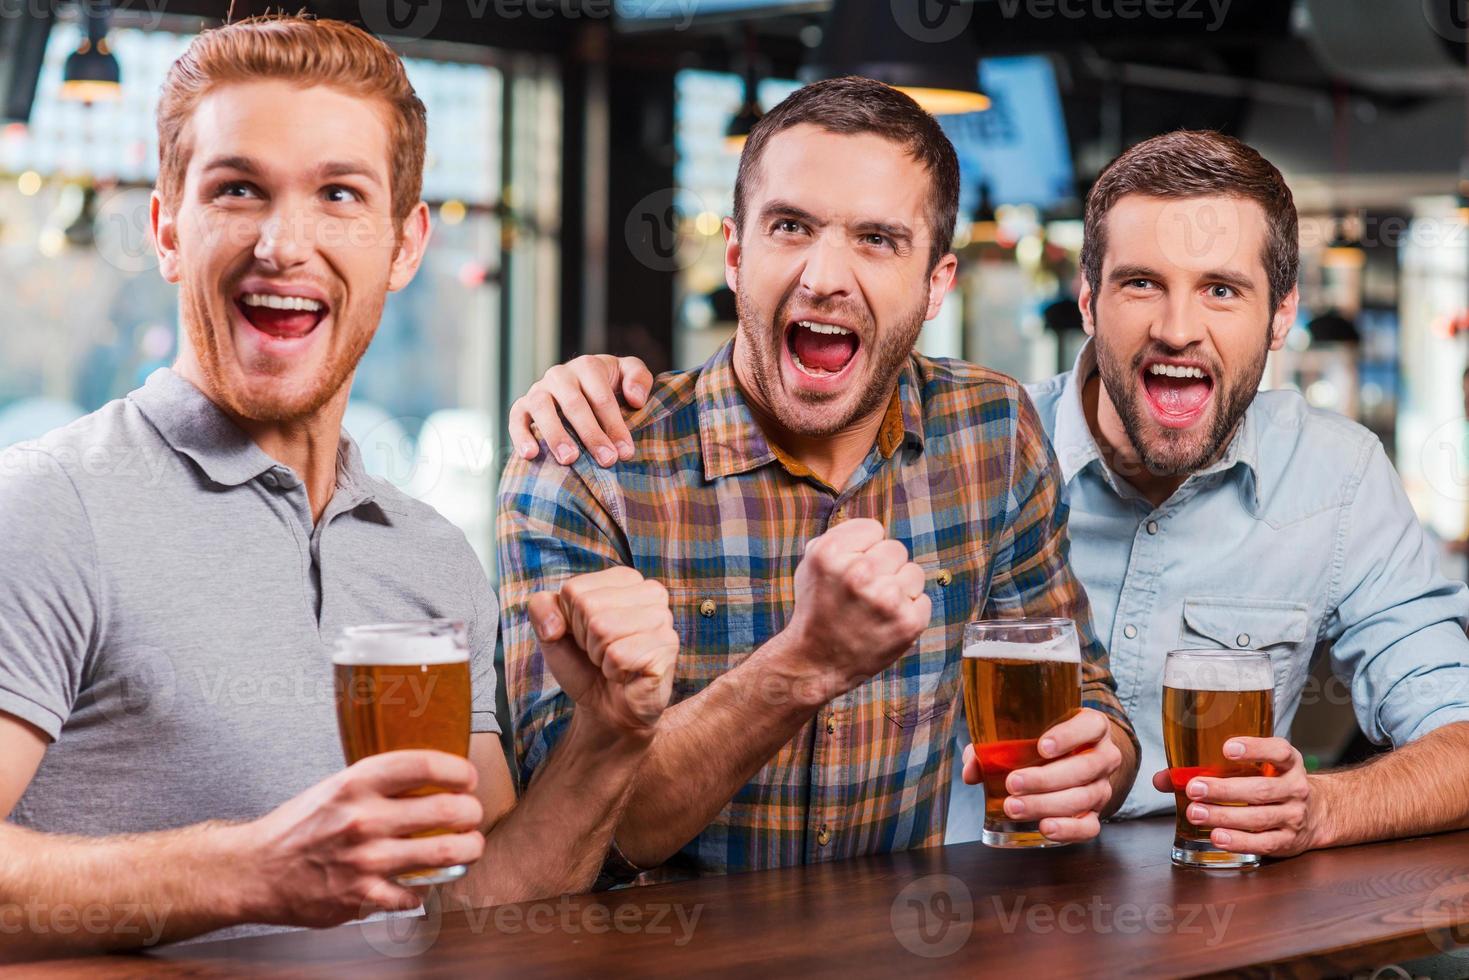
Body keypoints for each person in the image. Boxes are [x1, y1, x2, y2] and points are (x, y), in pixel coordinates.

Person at [513, 129, 1469, 860]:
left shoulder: (1338, 479)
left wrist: (1317, 808)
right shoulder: (985, 442)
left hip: (1202, 914)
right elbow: (566, 820)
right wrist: (608, 390)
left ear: (1281, 317)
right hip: (967, 913)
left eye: (1221, 290)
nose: (1179, 328)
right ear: (1087, 302)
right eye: (1140, 284)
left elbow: (1459, 734)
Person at [0, 16, 676, 959]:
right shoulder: (47, 506)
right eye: (237, 189)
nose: (283, 243)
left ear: (404, 246)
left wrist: (608, 733)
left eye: (338, 195)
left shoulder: (431, 556)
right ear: (166, 228)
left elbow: (479, 902)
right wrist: (252, 871)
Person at [497, 76, 1139, 886]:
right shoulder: (587, 463)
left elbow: (1082, 691)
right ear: (735, 254)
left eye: (876, 239)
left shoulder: (992, 432)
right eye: (791, 226)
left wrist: (1096, 765)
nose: (824, 277)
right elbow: (563, 836)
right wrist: (802, 666)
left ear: (937, 283)